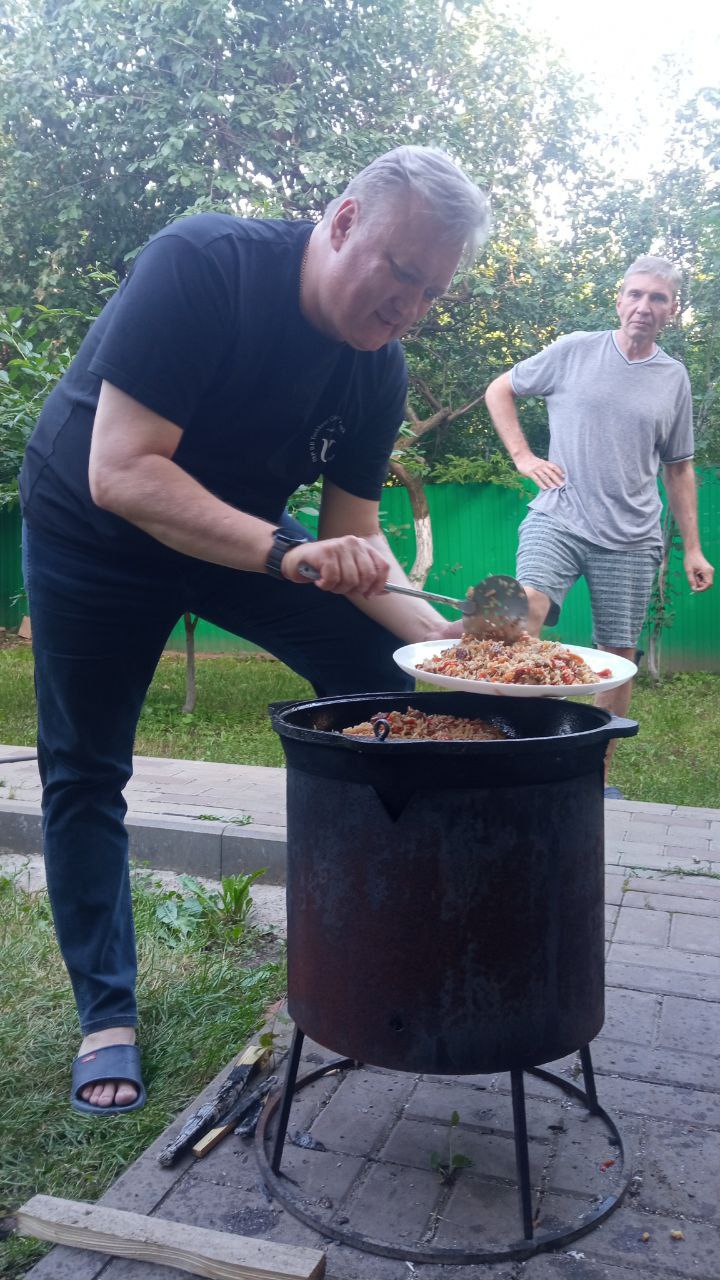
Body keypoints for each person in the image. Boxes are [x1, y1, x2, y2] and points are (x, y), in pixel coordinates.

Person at [19, 146, 490, 1114]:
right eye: (402, 273)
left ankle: (367, 928)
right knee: (85, 768)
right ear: (345, 220)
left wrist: (459, 648)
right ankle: (106, 1010)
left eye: (431, 292)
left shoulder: (377, 368)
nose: (408, 307)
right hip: (93, 528)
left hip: (245, 540)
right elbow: (122, 470)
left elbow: (358, 542)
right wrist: (290, 553)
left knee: (379, 676)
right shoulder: (203, 266)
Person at [484, 255, 714, 795]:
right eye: (636, 294)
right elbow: (500, 389)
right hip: (559, 515)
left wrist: (693, 549)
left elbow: (679, 468)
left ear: (672, 310)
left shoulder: (673, 378)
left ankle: (591, 776)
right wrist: (522, 456)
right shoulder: (574, 350)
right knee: (524, 610)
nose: (644, 306)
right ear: (619, 299)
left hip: (632, 537)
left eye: (657, 298)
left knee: (617, 656)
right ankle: (519, 750)